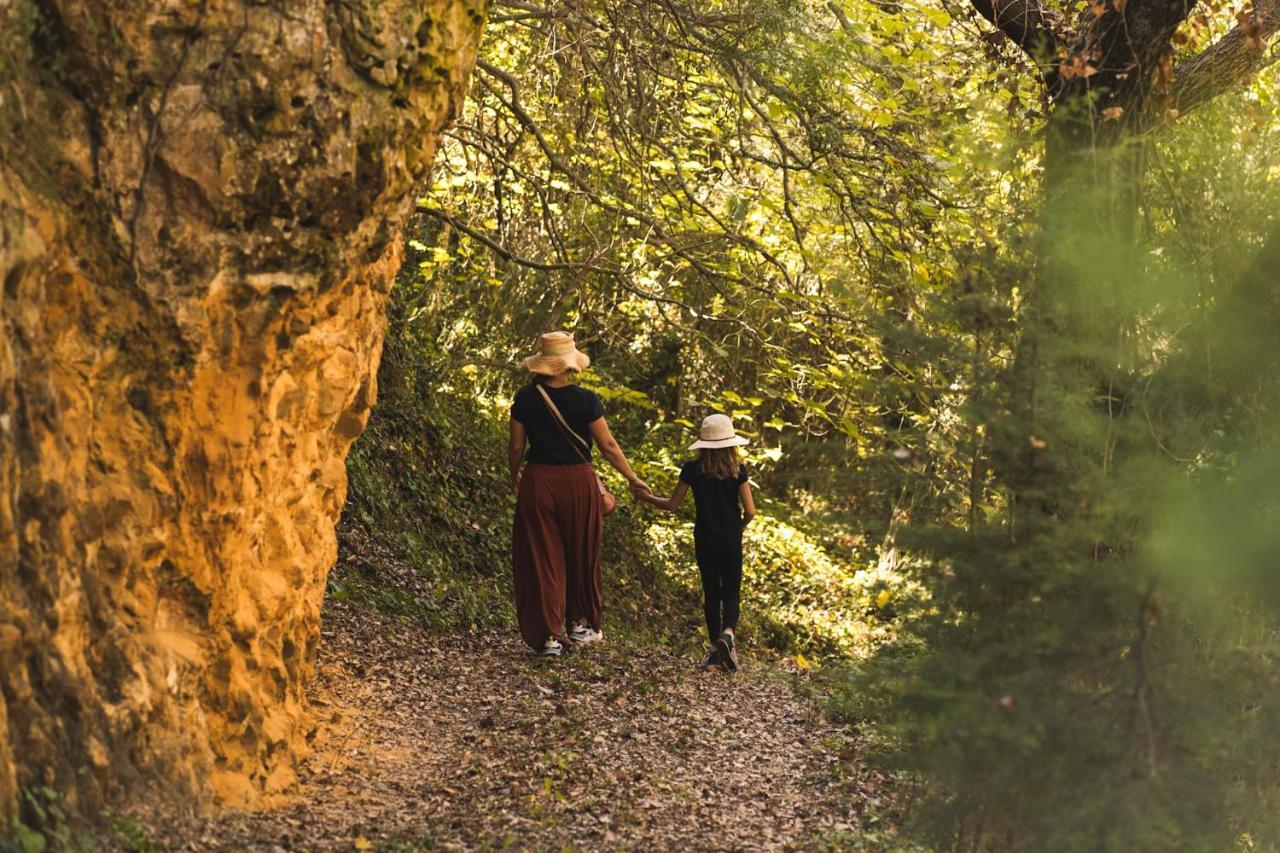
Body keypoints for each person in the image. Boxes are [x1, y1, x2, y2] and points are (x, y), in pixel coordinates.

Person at [509, 331, 649, 656]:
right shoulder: (587, 400)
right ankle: (580, 625)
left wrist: (513, 475)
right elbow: (608, 446)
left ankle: (549, 637)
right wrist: (632, 478)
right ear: (569, 364)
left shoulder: (526, 399)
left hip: (538, 481)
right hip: (579, 483)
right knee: (581, 552)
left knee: (543, 557)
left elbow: (516, 446)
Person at [637, 414, 755, 671]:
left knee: (711, 592)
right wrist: (738, 527)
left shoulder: (692, 470)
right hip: (731, 539)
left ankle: (715, 651)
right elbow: (751, 511)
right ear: (731, 443)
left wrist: (647, 498)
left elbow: (672, 504)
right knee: (731, 592)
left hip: (705, 538)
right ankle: (728, 635)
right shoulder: (738, 471)